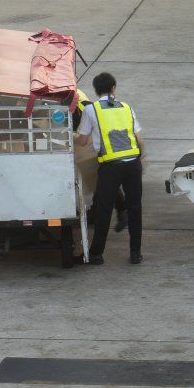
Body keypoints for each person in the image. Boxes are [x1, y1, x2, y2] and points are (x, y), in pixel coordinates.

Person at [77, 72, 142, 264]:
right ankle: (135, 254)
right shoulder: (126, 108)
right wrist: (141, 160)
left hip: (110, 166)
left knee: (104, 210)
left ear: (96, 91)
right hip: (132, 164)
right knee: (135, 209)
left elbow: (82, 141)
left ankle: (96, 254)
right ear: (114, 88)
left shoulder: (92, 110)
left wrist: (71, 136)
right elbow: (140, 139)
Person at [73, 90, 126, 234]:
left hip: (97, 143)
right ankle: (96, 213)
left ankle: (122, 209)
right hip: (95, 142)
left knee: (102, 177)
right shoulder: (76, 101)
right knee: (99, 177)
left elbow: (83, 134)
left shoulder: (83, 107)